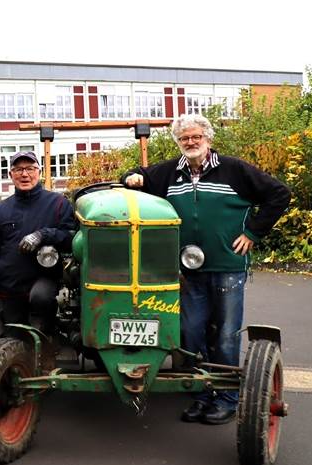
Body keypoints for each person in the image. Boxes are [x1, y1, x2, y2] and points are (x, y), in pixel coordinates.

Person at [121, 113, 290, 425]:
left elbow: (279, 194)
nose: (190, 142)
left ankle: (227, 398)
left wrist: (252, 233)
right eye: (184, 138)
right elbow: (135, 175)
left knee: (226, 334)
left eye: (196, 137)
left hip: (227, 266)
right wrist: (133, 177)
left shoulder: (234, 170)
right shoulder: (171, 172)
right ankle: (201, 394)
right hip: (187, 270)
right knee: (190, 332)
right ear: (178, 142)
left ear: (208, 139)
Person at [0, 151, 76, 341]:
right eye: (19, 169)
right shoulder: (1, 210)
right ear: (11, 175)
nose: (25, 174)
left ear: (39, 172)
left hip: (43, 282)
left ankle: (47, 350)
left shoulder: (57, 204)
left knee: (42, 327)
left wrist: (43, 235)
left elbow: (70, 237)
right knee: (11, 342)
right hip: (10, 289)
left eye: (30, 168)